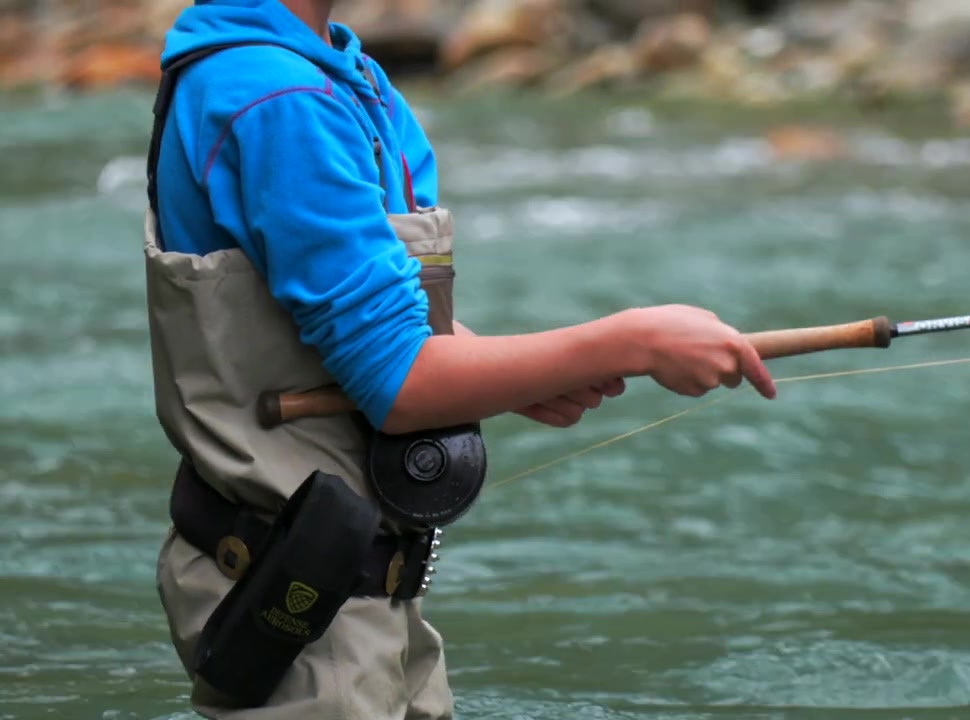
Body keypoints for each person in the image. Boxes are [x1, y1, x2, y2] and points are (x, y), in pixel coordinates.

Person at [143, 0, 776, 718]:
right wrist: (635, 341)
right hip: (298, 603)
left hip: (358, 589)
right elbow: (400, 384)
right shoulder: (276, 98)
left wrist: (505, 374)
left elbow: (365, 317)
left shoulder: (342, 77)